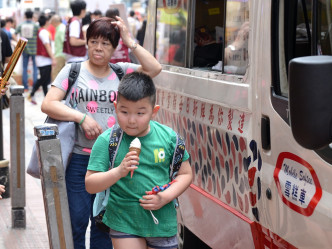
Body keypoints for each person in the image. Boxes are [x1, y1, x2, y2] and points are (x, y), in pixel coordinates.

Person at [41, 17, 161, 249]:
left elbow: (155, 68)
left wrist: (129, 40)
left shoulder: (122, 71)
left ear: (115, 48)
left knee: (104, 225)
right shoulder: (72, 71)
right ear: (86, 43)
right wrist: (81, 117)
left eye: (106, 44)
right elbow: (48, 104)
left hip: (113, 162)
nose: (98, 48)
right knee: (75, 221)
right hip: (80, 159)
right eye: (94, 41)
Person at [85, 72, 192, 249]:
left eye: (140, 113)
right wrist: (119, 171)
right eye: (124, 111)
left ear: (154, 112)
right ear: (115, 106)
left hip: (163, 223)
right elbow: (90, 184)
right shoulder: (107, 141)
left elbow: (185, 174)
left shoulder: (169, 139)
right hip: (123, 220)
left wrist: (165, 197)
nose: (132, 120)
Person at [27, 15, 56, 105]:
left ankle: (46, 98)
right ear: (46, 22)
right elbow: (47, 46)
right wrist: (53, 58)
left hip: (43, 59)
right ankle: (31, 94)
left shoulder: (42, 31)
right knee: (44, 79)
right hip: (44, 59)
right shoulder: (43, 32)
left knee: (45, 80)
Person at [15, 9, 39, 91]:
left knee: (24, 67)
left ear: (25, 16)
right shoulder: (35, 26)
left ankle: (25, 87)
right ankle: (35, 87)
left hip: (24, 48)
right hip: (34, 49)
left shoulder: (21, 25)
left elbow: (14, 33)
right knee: (35, 68)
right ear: (32, 16)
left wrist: (18, 42)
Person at [50, 15, 66, 81]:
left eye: (51, 22)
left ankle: (55, 90)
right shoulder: (60, 28)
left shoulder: (61, 30)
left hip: (60, 54)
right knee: (59, 73)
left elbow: (64, 42)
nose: (51, 24)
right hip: (60, 54)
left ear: (54, 22)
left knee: (55, 73)